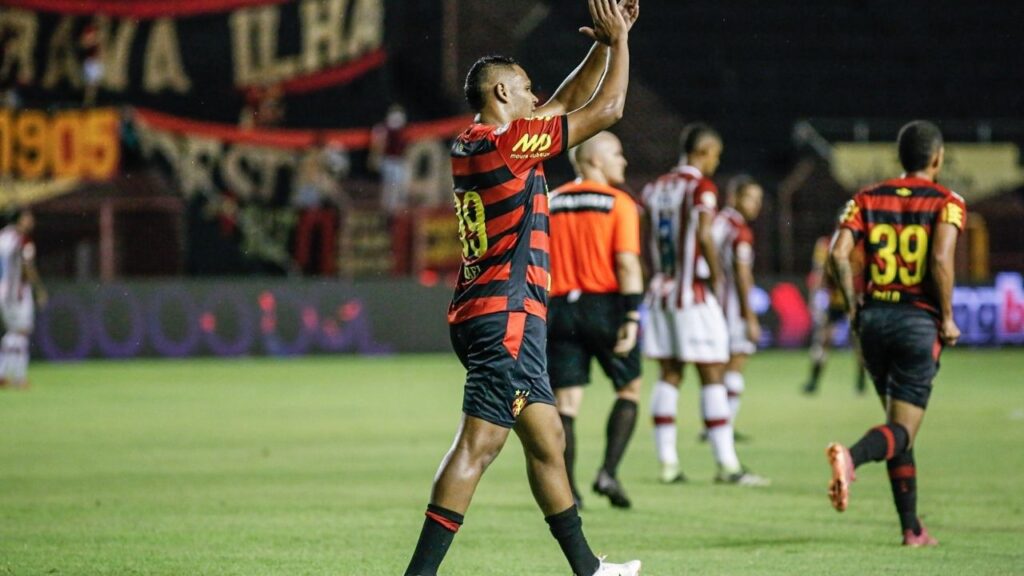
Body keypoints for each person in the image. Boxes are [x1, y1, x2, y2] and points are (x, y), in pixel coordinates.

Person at [404, 2, 641, 575]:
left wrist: (606, 43)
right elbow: (607, 107)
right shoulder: (509, 146)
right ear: (502, 94)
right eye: (526, 89)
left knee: (549, 439)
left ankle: (590, 570)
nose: (537, 98)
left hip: (489, 311)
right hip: (506, 316)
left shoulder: (476, 143)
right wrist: (623, 46)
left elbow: (563, 101)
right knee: (478, 447)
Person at [826, 120, 965, 547]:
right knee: (902, 430)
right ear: (937, 158)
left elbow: (837, 254)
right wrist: (946, 316)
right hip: (915, 322)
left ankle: (912, 529)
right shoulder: (948, 201)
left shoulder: (866, 198)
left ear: (900, 158)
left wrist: (853, 307)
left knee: (898, 423)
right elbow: (940, 260)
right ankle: (851, 458)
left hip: (873, 321)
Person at [642, 122, 769, 487]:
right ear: (703, 151)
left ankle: (668, 464)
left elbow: (646, 232)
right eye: (715, 155)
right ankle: (727, 465)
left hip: (662, 292)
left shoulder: (654, 187)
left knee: (669, 375)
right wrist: (716, 276)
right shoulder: (700, 187)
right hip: (692, 294)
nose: (716, 162)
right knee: (713, 374)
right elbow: (702, 233)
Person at [547, 131, 643, 510]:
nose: (624, 161)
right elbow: (626, 262)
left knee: (566, 403)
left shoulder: (551, 201)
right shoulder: (620, 204)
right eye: (617, 154)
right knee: (629, 389)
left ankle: (569, 491)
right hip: (605, 307)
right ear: (596, 161)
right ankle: (608, 471)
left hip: (559, 310)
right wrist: (632, 314)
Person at [712, 175, 764, 436]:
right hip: (731, 308)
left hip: (712, 305)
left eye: (759, 200)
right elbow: (742, 275)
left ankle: (715, 422)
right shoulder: (739, 230)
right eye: (751, 198)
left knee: (719, 369)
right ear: (734, 197)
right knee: (736, 363)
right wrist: (750, 316)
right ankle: (725, 426)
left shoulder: (717, 222)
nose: (756, 205)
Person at [801, 232, 867, 394]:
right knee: (824, 339)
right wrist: (815, 298)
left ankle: (861, 382)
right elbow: (819, 272)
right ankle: (813, 381)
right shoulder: (826, 244)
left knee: (860, 343)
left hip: (857, 299)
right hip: (836, 300)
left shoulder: (863, 245)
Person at [0, 209, 47, 389]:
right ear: (19, 220)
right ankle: (19, 377)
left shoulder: (2, 237)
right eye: (28, 218)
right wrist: (39, 290)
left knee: (13, 332)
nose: (31, 221)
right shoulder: (23, 240)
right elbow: (27, 266)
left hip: (3, 291)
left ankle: (3, 374)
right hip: (18, 292)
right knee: (22, 332)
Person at [368, 104, 410, 214]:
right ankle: (388, 212)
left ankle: (396, 211)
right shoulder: (381, 129)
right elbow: (377, 146)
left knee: (400, 188)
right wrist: (375, 158)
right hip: (387, 161)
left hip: (399, 162)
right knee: (389, 189)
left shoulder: (402, 130)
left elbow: (404, 147)